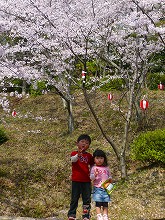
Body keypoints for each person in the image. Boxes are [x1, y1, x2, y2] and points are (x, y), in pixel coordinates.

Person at [67, 134, 94, 220]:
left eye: (86, 143)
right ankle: (72, 214)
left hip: (86, 181)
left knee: (86, 199)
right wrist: (78, 155)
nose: (84, 144)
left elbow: (93, 165)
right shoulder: (74, 153)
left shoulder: (89, 156)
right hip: (76, 180)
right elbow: (73, 160)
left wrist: (93, 174)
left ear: (88, 146)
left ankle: (86, 215)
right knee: (74, 198)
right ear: (77, 143)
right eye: (82, 142)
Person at [90, 149, 113, 220]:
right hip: (97, 188)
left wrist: (110, 180)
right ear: (94, 159)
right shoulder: (94, 168)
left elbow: (110, 176)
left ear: (104, 159)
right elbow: (91, 178)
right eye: (97, 158)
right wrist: (95, 174)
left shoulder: (107, 168)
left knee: (105, 203)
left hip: (106, 188)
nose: (99, 160)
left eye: (101, 158)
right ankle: (99, 215)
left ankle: (105, 215)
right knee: (98, 202)